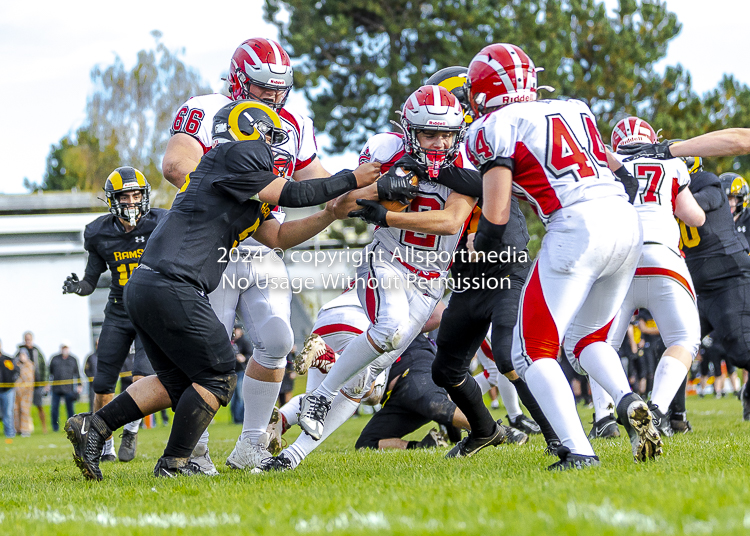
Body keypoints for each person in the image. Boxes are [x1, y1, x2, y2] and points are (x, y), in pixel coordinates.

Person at [63, 100, 380, 480]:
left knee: (178, 381)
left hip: (150, 284)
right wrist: (352, 177)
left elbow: (277, 235)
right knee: (219, 374)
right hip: (172, 282)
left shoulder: (234, 178)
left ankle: (94, 428)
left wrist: (329, 214)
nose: (274, 149)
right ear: (249, 131)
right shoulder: (233, 154)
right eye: (270, 136)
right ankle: (177, 463)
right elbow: (294, 195)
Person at [464, 43, 660, 470]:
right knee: (585, 337)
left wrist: (477, 249)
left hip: (575, 226)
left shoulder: (491, 126)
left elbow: (496, 219)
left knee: (528, 352)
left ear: (480, 93)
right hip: (626, 222)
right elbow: (622, 175)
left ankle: (578, 451)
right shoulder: (574, 108)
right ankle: (626, 402)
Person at [162, 38, 340, 473]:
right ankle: (194, 449)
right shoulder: (206, 109)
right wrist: (238, 191)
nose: (274, 97)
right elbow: (175, 165)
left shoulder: (296, 120)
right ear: (240, 81)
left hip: (264, 238)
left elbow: (315, 175)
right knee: (209, 351)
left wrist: (357, 193)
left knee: (278, 340)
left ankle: (251, 445)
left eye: (280, 88)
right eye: (263, 87)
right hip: (215, 238)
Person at [297, 85, 483, 446]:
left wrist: (387, 215)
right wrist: (381, 187)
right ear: (410, 131)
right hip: (390, 261)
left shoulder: (467, 164)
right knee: (389, 329)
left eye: (447, 135)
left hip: (431, 280)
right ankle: (318, 396)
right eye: (429, 134)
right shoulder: (387, 149)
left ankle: (293, 455)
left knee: (370, 373)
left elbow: (450, 222)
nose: (440, 144)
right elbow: (340, 205)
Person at [423, 66, 559, 457]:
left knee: (508, 352)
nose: (435, 134)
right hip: (466, 274)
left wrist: (433, 170)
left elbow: (484, 185)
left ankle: (559, 437)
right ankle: (485, 431)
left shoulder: (483, 137)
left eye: (441, 120)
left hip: (503, 259)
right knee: (445, 368)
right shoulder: (437, 151)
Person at [580, 116, 705, 438]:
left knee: (600, 343)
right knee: (683, 339)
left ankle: (604, 417)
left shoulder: (605, 162)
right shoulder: (672, 164)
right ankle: (658, 409)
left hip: (618, 259)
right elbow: (695, 217)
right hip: (663, 256)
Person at [62, 166, 165, 464]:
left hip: (151, 309)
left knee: (142, 376)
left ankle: (131, 429)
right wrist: (77, 287)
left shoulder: (161, 222)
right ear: (112, 199)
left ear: (144, 196)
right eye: (125, 196)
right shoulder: (98, 232)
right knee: (102, 384)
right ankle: (103, 445)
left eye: (136, 195)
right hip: (119, 310)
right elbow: (91, 281)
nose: (132, 201)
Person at [355, 334, 472, 451]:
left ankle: (486, 430)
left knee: (435, 405)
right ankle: (426, 445)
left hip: (414, 366)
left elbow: (434, 318)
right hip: (396, 398)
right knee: (366, 443)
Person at [16, 332, 47, 434]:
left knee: (39, 406)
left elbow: (43, 366)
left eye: (29, 339)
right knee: (22, 408)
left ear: (32, 339)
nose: (28, 340)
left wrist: (45, 381)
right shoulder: (19, 352)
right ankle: (21, 428)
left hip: (37, 384)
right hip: (24, 386)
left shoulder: (36, 351)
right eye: (26, 339)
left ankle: (44, 428)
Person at [48, 342, 82, 432]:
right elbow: (50, 373)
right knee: (54, 409)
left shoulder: (73, 359)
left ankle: (71, 426)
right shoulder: (54, 359)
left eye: (66, 348)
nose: (65, 349)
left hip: (69, 389)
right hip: (56, 389)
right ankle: (55, 427)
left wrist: (79, 385)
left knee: (70, 409)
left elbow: (77, 373)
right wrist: (47, 385)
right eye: (63, 347)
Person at [230, 326, 252, 425]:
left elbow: (250, 355)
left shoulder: (244, 342)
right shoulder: (232, 342)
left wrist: (243, 358)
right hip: (232, 372)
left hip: (241, 371)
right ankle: (235, 418)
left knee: (240, 395)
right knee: (233, 397)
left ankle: (240, 418)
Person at [0, 340, 20, 439]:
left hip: (7, 390)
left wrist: (12, 380)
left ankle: (10, 434)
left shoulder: (7, 359)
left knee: (8, 413)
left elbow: (16, 371)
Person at [84, 340, 98, 413]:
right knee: (93, 403)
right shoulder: (90, 357)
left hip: (104, 384)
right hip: (93, 385)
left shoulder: (106, 357)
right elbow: (86, 370)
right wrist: (92, 378)